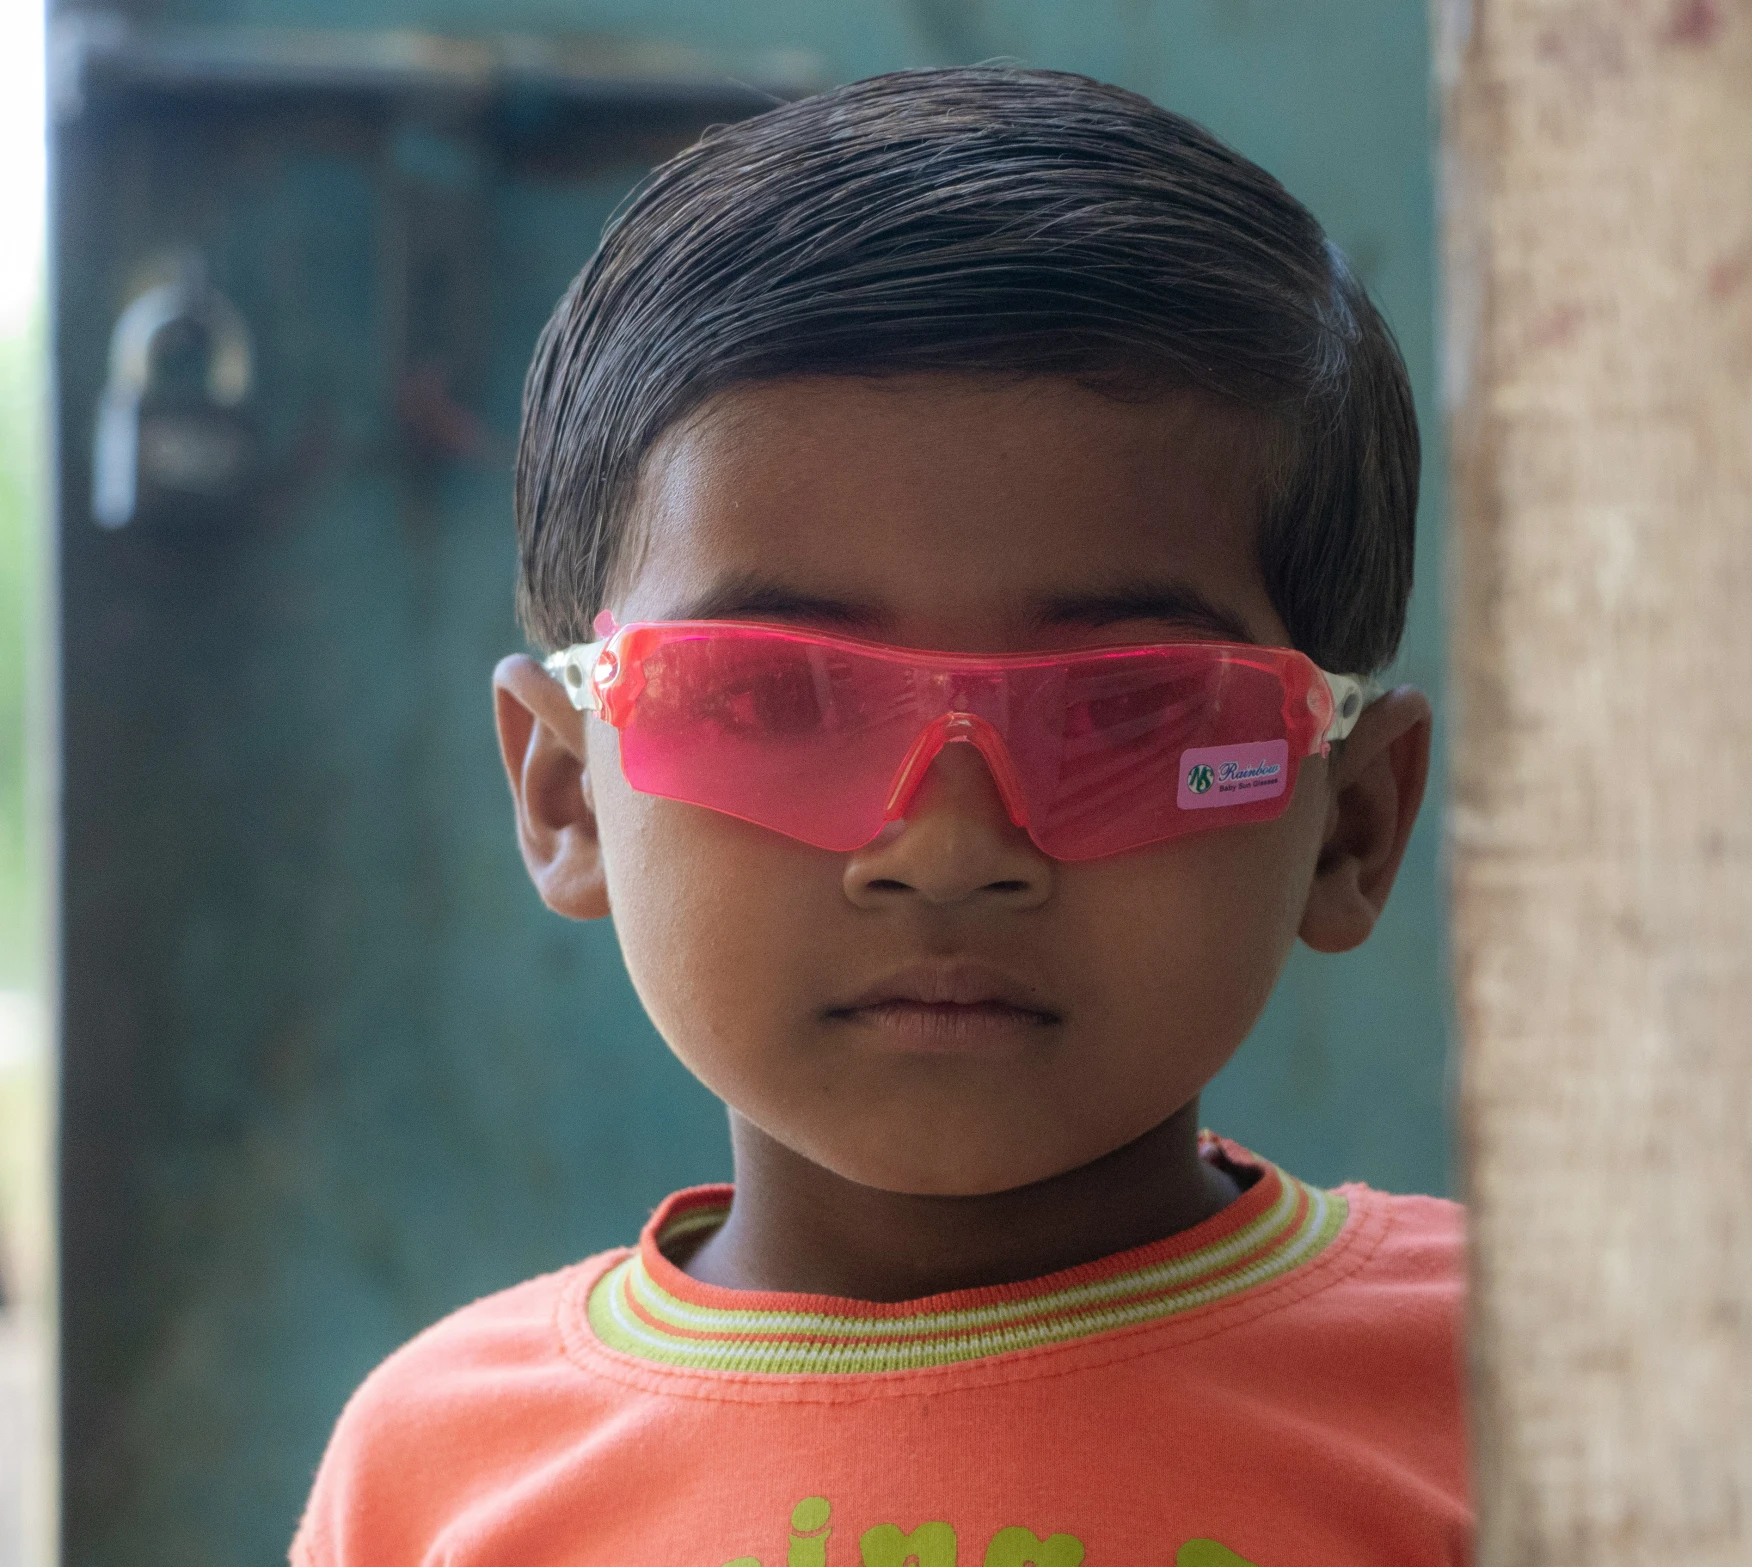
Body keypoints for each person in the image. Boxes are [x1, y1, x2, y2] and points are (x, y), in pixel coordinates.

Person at [292, 65, 1462, 1567]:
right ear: (566, 787)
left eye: (1124, 711)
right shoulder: (436, 1476)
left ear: (1350, 821)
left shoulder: (1533, 1387)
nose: (948, 848)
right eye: (777, 699)